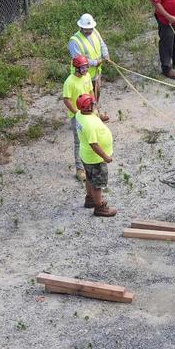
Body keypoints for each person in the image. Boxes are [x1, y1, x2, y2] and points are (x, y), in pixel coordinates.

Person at [75, 94, 118, 217]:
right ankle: (100, 208)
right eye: (92, 104)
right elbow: (94, 144)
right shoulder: (89, 125)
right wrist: (105, 156)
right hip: (95, 159)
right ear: (88, 107)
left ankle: (90, 199)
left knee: (89, 177)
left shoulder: (79, 114)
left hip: (86, 156)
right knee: (97, 184)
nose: (94, 105)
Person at [61, 55, 95, 186]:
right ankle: (80, 170)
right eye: (83, 67)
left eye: (86, 67)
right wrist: (76, 112)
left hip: (89, 111)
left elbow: (90, 91)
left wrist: (94, 105)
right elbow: (66, 99)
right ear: (76, 68)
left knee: (91, 138)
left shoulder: (86, 77)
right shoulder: (69, 82)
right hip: (77, 115)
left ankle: (90, 162)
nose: (86, 70)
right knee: (78, 142)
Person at [68, 13, 109, 115]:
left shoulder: (95, 32)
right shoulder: (74, 41)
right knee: (85, 96)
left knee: (97, 91)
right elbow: (79, 59)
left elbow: (102, 44)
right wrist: (95, 62)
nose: (89, 31)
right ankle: (86, 115)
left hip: (96, 71)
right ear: (80, 27)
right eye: (86, 29)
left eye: (90, 28)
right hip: (82, 74)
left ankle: (94, 112)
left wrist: (106, 54)